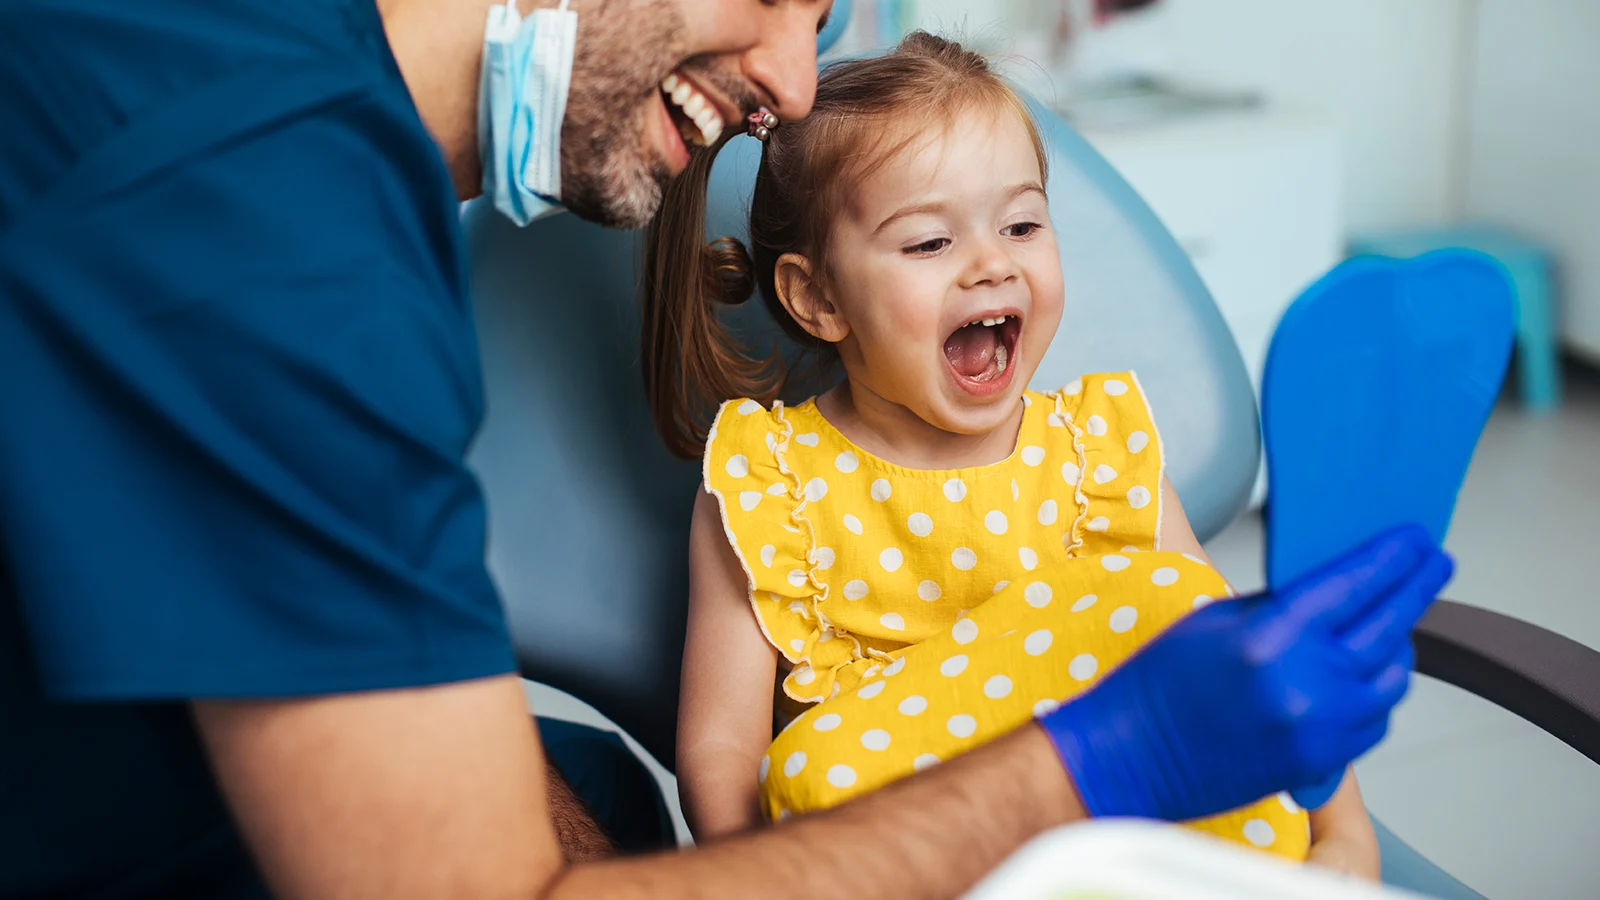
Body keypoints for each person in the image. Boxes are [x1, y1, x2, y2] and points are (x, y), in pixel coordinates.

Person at [0, 0, 1448, 897]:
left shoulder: (261, 121)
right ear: (814, 297)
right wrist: (1097, 760)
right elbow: (704, 788)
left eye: (818, 17)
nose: (794, 86)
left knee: (591, 794)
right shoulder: (259, 225)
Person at [650, 33, 1378, 878]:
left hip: (1127, 850)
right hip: (904, 867)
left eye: (1023, 224)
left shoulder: (1096, 456)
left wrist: (1342, 834)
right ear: (817, 298)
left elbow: (1228, 656)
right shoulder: (773, 484)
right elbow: (722, 750)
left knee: (1175, 599)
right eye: (929, 243)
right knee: (811, 771)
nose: (993, 264)